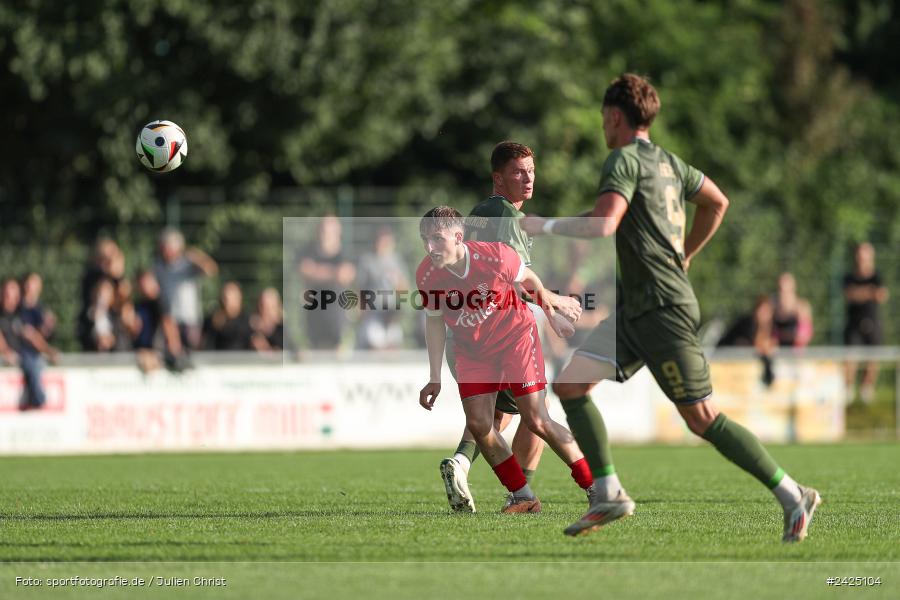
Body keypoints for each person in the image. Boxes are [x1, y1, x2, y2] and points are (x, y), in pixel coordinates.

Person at [522, 73, 820, 542]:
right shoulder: (668, 163)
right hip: (638, 309)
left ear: (615, 116)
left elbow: (603, 227)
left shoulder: (621, 158)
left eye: (603, 118)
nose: (603, 126)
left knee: (702, 419)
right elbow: (716, 202)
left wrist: (547, 225)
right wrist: (687, 253)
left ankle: (792, 494)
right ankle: (609, 491)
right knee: (572, 384)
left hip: (662, 308)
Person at [417, 207, 594, 514]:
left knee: (538, 419)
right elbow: (434, 322)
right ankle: (523, 496)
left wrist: (552, 317)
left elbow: (530, 281)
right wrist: (434, 377)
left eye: (436, 238)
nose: (429, 247)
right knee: (480, 424)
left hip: (515, 339)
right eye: (425, 239)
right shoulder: (427, 274)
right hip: (472, 351)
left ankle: (596, 487)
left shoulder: (496, 256)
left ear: (458, 236)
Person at [439, 142, 584, 514]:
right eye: (518, 171)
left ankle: (462, 464)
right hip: (499, 334)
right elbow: (514, 280)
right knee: (537, 413)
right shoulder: (504, 214)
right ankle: (528, 494)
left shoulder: (479, 214)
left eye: (531, 170)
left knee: (497, 416)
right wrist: (556, 303)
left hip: (470, 333)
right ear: (497, 178)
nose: (528, 177)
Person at [154, 227, 218, 350]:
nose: (166, 250)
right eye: (164, 246)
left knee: (192, 350)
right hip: (170, 321)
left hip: (190, 320)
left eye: (169, 246)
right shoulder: (159, 267)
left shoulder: (188, 264)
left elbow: (211, 270)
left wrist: (196, 255)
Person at [298, 215, 355, 350]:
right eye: (324, 228)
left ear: (338, 231)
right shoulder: (309, 250)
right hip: (314, 314)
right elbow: (305, 271)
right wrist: (334, 273)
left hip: (337, 316)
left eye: (330, 229)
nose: (326, 233)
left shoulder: (345, 253)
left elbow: (345, 275)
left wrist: (317, 271)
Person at [0, 278, 58, 409]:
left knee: (33, 360)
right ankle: (38, 398)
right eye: (6, 293)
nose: (9, 297)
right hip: (9, 358)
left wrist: (48, 351)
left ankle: (36, 398)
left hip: (21, 355)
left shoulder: (21, 314)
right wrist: (6, 352)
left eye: (13, 293)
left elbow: (32, 336)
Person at [843, 242, 889, 403]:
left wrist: (861, 293)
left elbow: (882, 296)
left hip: (872, 321)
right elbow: (849, 294)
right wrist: (870, 292)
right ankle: (848, 390)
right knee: (851, 357)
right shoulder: (849, 277)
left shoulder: (877, 276)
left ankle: (866, 390)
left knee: (873, 357)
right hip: (854, 323)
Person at [355, 227, 409, 350]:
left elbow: (404, 290)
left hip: (391, 314)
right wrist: (361, 310)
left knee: (393, 345)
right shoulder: (367, 261)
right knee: (374, 345)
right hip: (373, 311)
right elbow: (360, 287)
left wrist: (398, 280)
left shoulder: (396, 261)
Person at [128, 269, 184, 373]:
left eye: (146, 282)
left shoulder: (160, 303)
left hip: (156, 353)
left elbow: (169, 326)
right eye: (141, 283)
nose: (144, 287)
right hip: (142, 352)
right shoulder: (138, 304)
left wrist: (174, 351)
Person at [717, 295, 778, 387]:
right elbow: (752, 343)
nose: (763, 314)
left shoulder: (770, 326)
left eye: (766, 312)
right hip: (725, 356)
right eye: (761, 311)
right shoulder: (748, 323)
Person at [203, 281, 254, 350]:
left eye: (232, 297)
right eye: (225, 297)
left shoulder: (249, 321)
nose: (227, 301)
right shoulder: (212, 320)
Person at [772, 272, 813, 348]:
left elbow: (804, 336)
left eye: (787, 290)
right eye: (781, 289)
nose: (784, 293)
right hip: (778, 352)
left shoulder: (802, 307)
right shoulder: (773, 307)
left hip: (796, 352)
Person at [251, 287, 285, 352]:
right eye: (263, 306)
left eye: (271, 307)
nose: (266, 312)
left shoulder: (283, 331)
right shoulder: (251, 330)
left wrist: (265, 348)